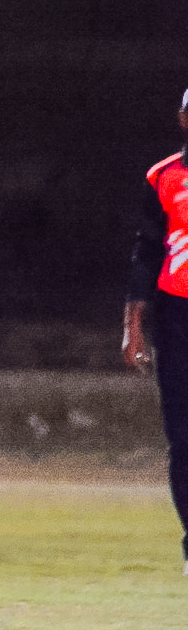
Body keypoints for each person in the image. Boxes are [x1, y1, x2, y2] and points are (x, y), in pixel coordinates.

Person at [122, 88, 188, 574]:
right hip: (177, 316)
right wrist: (133, 327)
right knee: (183, 437)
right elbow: (146, 253)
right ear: (183, 118)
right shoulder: (163, 176)